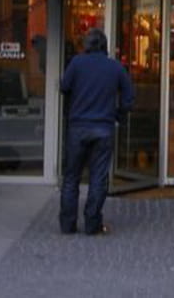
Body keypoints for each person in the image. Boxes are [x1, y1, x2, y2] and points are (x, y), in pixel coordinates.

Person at [58, 28, 134, 235]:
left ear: (87, 45)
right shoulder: (115, 67)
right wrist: (118, 115)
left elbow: (64, 87)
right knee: (98, 177)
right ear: (105, 46)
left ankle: (67, 224)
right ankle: (92, 224)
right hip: (103, 127)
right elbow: (129, 97)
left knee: (71, 177)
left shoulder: (77, 63)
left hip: (78, 127)